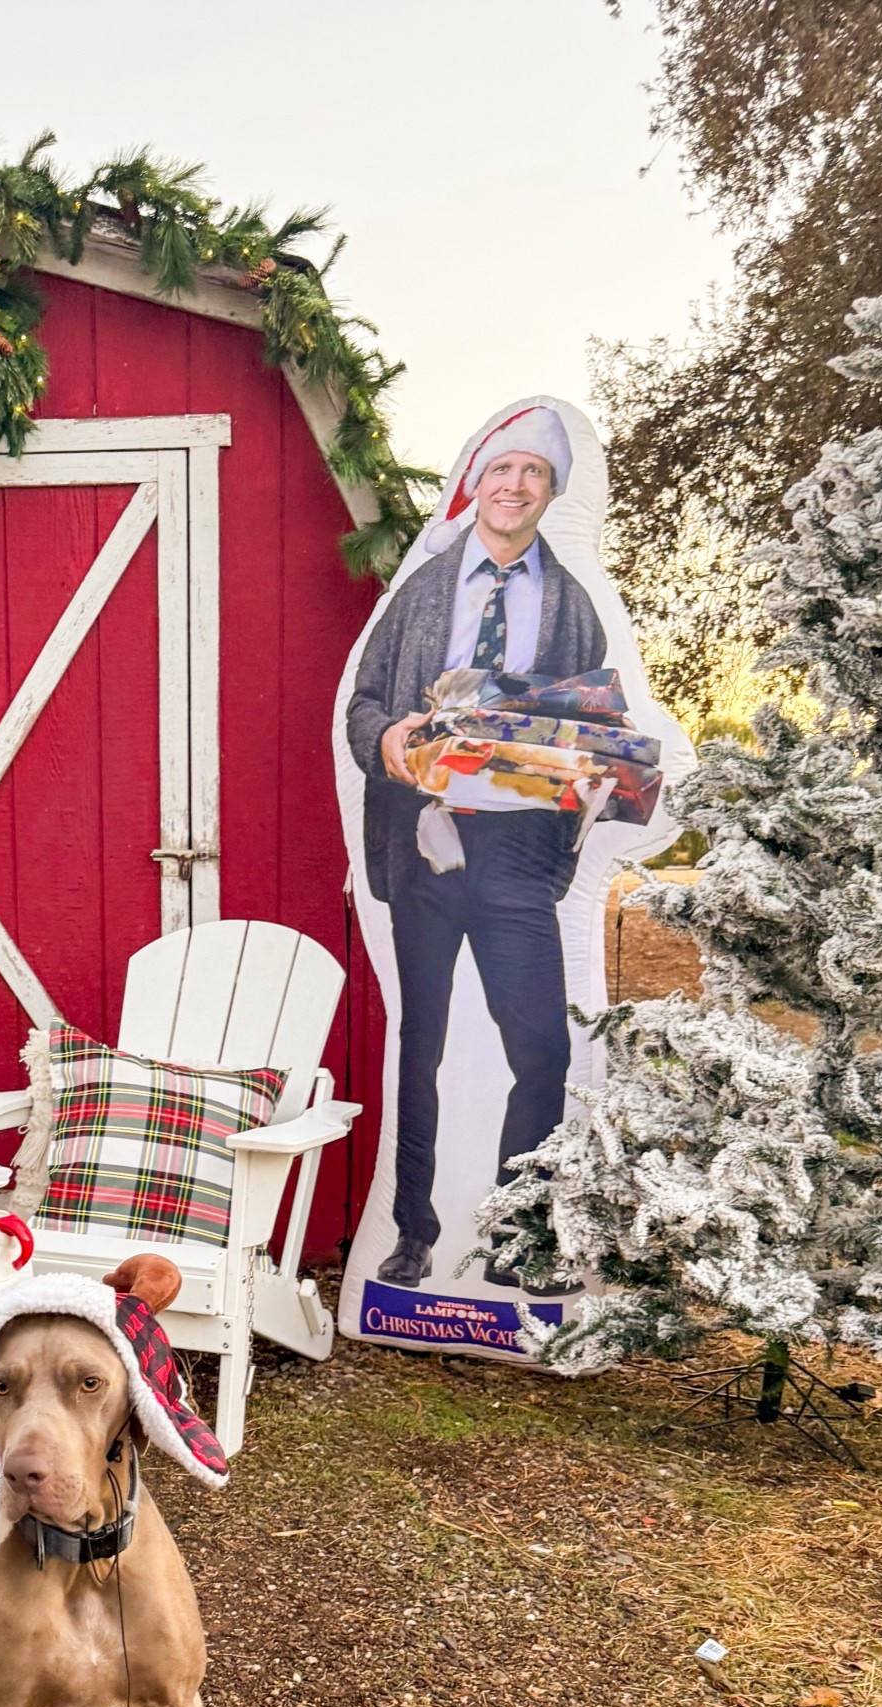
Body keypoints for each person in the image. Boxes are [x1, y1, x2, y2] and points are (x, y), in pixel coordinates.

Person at [346, 407, 607, 1286]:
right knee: (422, 1045)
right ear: (478, 482)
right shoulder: (423, 591)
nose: (515, 485)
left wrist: (593, 771)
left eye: (534, 472)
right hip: (424, 843)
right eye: (502, 469)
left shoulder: (571, 604)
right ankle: (413, 1231)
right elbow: (364, 706)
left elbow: (592, 725)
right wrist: (389, 743)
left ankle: (511, 1235)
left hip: (520, 855)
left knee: (541, 1050)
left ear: (551, 490)